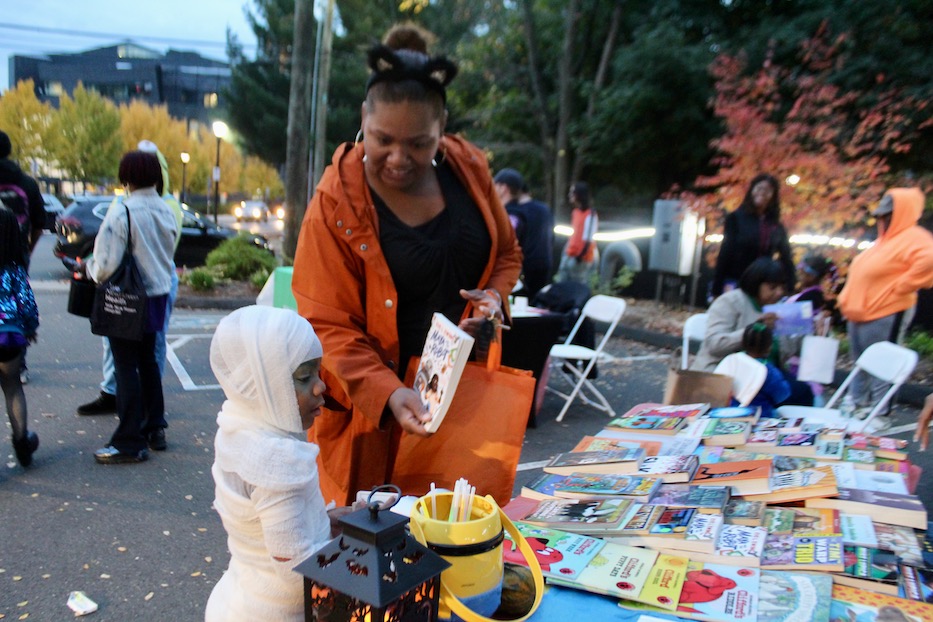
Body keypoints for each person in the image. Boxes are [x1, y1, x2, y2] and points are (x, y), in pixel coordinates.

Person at [292, 24, 522, 505]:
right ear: (363, 120)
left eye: (419, 143)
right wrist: (387, 392)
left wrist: (495, 298)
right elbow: (325, 324)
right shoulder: (337, 201)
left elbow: (506, 253)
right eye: (383, 140)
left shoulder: (469, 168)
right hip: (375, 424)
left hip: (463, 407)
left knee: (458, 545)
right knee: (378, 557)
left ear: (442, 131)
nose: (399, 158)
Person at [205, 306, 348, 622]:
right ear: (266, 384)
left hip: (239, 596)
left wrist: (325, 522)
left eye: (318, 373)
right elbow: (298, 572)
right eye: (304, 377)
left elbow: (266, 526)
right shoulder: (275, 462)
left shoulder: (238, 427)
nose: (321, 386)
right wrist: (357, 561)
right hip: (279, 612)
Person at [76, 140, 184, 439]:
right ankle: (155, 427)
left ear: (126, 177)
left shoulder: (122, 212)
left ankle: (128, 437)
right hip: (158, 295)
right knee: (149, 361)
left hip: (127, 299)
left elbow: (105, 265)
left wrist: (88, 270)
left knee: (125, 365)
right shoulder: (167, 210)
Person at [837, 188, 933, 426]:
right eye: (881, 215)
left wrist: (902, 286)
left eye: (889, 214)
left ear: (902, 212)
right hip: (862, 313)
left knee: (884, 361)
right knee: (861, 360)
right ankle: (858, 403)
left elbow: (929, 259)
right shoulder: (883, 242)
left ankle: (881, 412)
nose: (883, 219)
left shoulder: (914, 236)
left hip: (887, 310)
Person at [693, 258, 815, 406]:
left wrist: (813, 330)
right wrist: (753, 330)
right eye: (772, 287)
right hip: (729, 373)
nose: (779, 293)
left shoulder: (779, 308)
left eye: (782, 288)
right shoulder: (730, 302)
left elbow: (794, 351)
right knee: (794, 393)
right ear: (756, 283)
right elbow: (714, 344)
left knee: (801, 392)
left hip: (765, 374)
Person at [0, 130, 45, 385]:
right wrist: (28, 247)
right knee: (15, 303)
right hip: (16, 252)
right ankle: (18, 363)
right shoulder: (26, 183)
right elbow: (40, 222)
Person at [711, 174, 795, 298]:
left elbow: (786, 258)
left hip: (763, 287)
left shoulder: (776, 226)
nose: (762, 192)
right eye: (759, 188)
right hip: (736, 281)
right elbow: (725, 252)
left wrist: (790, 287)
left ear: (773, 196)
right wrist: (717, 288)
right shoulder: (735, 218)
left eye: (768, 190)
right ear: (752, 191)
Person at [0, 206, 40, 466]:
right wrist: (30, 328)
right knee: (13, 387)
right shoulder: (15, 269)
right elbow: (26, 304)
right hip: (8, 337)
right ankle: (22, 443)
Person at [494, 167, 554, 299]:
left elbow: (507, 243)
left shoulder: (512, 213)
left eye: (495, 185)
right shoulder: (543, 209)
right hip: (545, 264)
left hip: (521, 269)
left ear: (503, 188)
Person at [738, 323, 791, 418]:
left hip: (731, 413)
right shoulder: (767, 370)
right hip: (760, 416)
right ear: (769, 347)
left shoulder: (733, 361)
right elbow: (782, 394)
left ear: (742, 342)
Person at [557, 181, 598, 285]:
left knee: (576, 286)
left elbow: (588, 238)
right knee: (563, 283)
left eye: (572, 193)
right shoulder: (576, 212)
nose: (570, 195)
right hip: (570, 255)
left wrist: (580, 257)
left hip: (580, 259)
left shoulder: (591, 214)